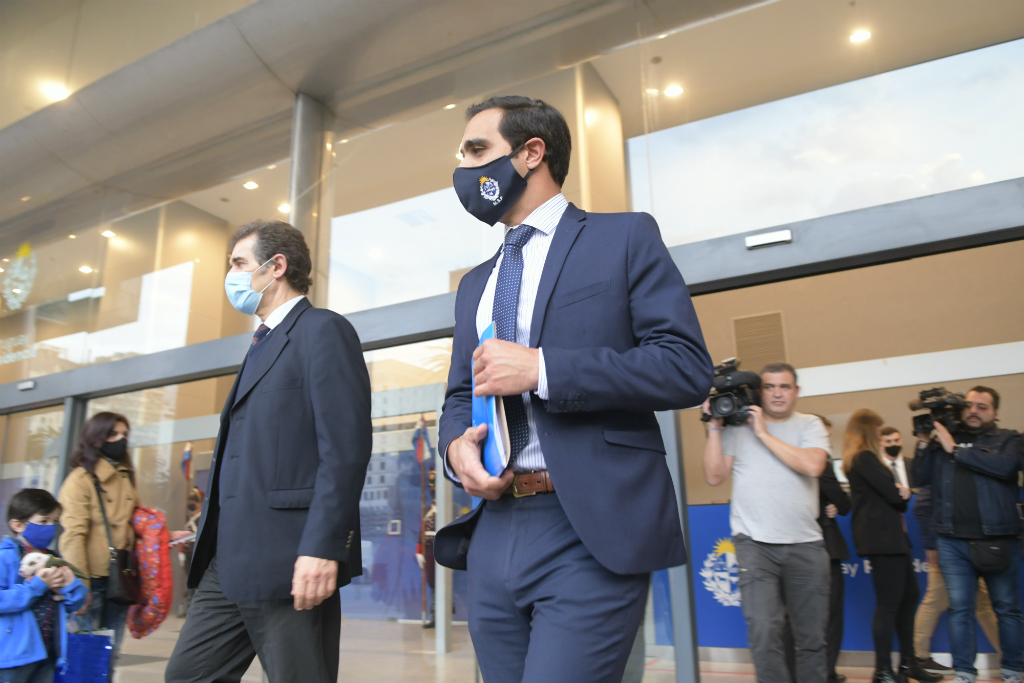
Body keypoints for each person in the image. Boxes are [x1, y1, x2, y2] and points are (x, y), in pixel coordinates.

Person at [434, 96, 712, 683]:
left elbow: (685, 366)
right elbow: (460, 394)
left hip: (588, 524)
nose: (463, 167)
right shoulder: (474, 286)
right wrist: (457, 448)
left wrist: (545, 369)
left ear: (532, 153)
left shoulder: (624, 239)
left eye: (476, 150)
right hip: (493, 529)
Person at [165, 220, 372, 683]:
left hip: (289, 559)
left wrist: (322, 548)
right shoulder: (260, 343)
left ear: (276, 266)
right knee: (187, 675)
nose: (232, 275)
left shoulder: (324, 331)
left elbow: (345, 450)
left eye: (239, 263)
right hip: (228, 559)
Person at [703, 362, 831, 683]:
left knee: (812, 638)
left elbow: (813, 465)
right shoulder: (736, 429)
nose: (777, 393)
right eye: (770, 387)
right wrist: (715, 428)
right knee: (763, 631)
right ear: (760, 392)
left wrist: (762, 433)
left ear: (796, 392)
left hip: (805, 546)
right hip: (755, 547)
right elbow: (714, 476)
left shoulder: (810, 425)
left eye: (784, 387)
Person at [914, 386, 1023, 683]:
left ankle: (1013, 671)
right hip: (951, 540)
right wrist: (924, 443)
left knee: (1007, 609)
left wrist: (957, 450)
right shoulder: (944, 442)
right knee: (959, 609)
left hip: (998, 538)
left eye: (982, 406)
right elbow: (920, 478)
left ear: (995, 412)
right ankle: (964, 673)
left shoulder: (1009, 440)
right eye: (969, 405)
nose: (974, 411)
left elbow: (1006, 467)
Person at [844, 410, 941, 683]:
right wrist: (898, 491)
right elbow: (895, 496)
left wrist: (898, 492)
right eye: (877, 431)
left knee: (909, 597)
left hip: (891, 539)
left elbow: (896, 494)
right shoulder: (865, 458)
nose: (881, 436)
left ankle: (908, 664)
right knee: (888, 604)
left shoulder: (864, 460)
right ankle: (883, 670)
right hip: (882, 539)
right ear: (868, 432)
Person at [908, 421, 1000, 673]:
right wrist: (931, 546)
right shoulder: (935, 461)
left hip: (967, 544)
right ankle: (918, 656)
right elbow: (923, 505)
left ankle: (1012, 655)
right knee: (937, 600)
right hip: (945, 546)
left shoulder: (958, 460)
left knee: (981, 604)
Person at [58, 412, 140, 663]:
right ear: (96, 438)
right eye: (113, 434)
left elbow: (134, 523)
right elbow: (73, 536)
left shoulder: (126, 475)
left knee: (110, 653)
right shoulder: (80, 480)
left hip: (119, 577)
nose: (121, 440)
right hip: (92, 579)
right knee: (85, 654)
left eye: (125, 435)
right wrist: (80, 587)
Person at [783, 414, 850, 683]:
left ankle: (790, 672)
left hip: (790, 546)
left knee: (792, 616)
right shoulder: (821, 461)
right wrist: (833, 504)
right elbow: (844, 504)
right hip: (823, 547)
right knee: (830, 617)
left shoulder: (786, 458)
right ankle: (827, 673)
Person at [2, 489, 88, 683]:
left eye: (54, 521)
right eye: (43, 521)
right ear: (17, 525)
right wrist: (38, 586)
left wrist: (70, 585)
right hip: (14, 655)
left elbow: (76, 602)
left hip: (48, 652)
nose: (50, 527)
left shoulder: (53, 559)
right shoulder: (6, 558)